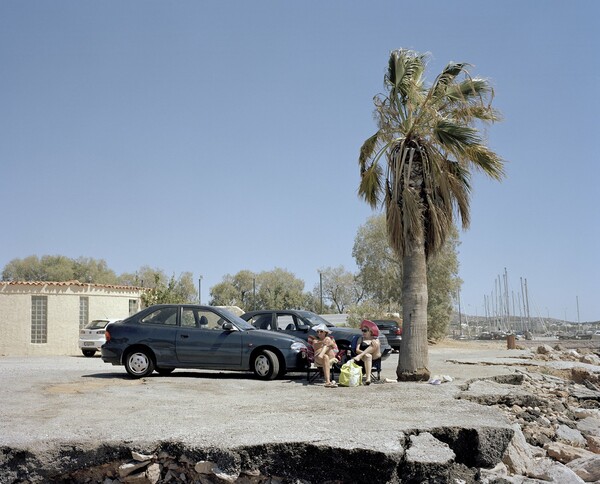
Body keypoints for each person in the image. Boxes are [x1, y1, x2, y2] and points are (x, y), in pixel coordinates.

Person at [352, 319, 381, 385]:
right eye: (362, 330)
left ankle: (360, 355)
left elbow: (377, 350)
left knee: (375, 342)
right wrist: (364, 354)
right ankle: (368, 379)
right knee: (368, 356)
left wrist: (361, 355)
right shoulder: (361, 339)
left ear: (370, 331)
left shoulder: (375, 339)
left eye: (365, 331)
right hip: (364, 358)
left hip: (375, 356)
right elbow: (357, 350)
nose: (363, 332)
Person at [310, 323, 339, 388]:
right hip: (319, 358)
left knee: (326, 351)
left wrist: (329, 343)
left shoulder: (329, 339)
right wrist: (324, 343)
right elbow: (315, 346)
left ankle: (328, 382)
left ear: (325, 332)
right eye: (317, 331)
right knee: (325, 356)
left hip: (329, 357)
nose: (319, 333)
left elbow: (336, 350)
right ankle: (328, 381)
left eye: (321, 331)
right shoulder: (315, 340)